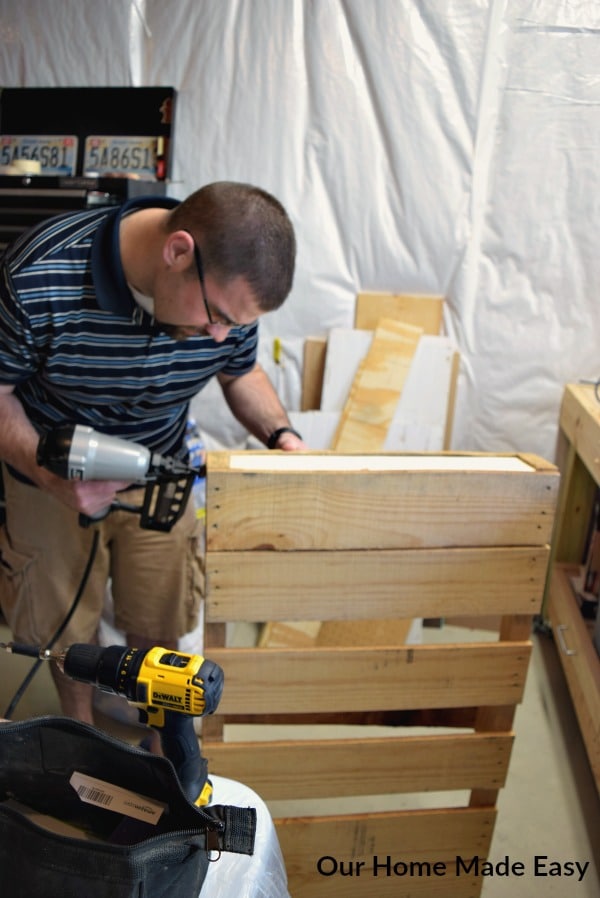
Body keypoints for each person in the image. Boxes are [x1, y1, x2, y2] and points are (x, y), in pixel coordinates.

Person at [0, 180, 306, 726]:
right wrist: (51, 478)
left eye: (237, 325)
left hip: (161, 471)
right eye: (218, 317)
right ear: (178, 252)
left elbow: (241, 373)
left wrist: (283, 437)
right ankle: (79, 736)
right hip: (47, 474)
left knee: (161, 622)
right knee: (64, 632)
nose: (219, 337)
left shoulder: (225, 300)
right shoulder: (38, 273)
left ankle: (165, 753)